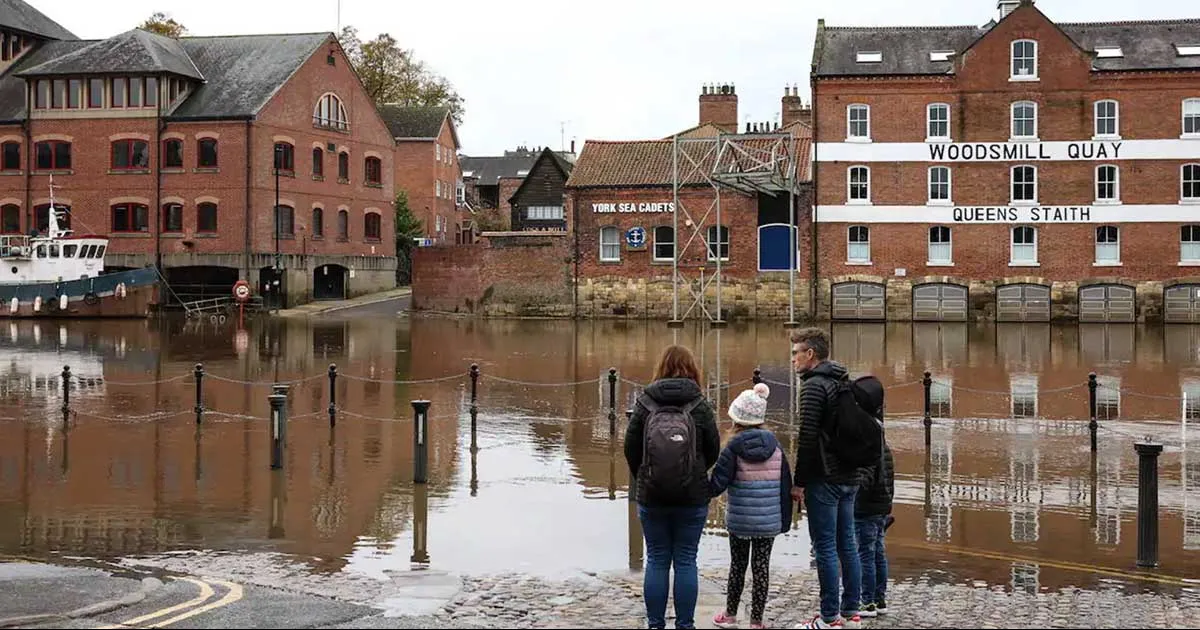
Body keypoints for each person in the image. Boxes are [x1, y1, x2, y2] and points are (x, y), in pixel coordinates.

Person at [624, 344, 720, 630]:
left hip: (652, 494)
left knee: (656, 559)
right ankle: (685, 625)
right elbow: (713, 449)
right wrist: (694, 473)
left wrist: (645, 476)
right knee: (686, 559)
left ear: (660, 368)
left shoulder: (645, 402)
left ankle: (655, 624)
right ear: (693, 369)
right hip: (692, 496)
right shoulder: (700, 404)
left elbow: (631, 449)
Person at [790, 327, 868, 630]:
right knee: (847, 543)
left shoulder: (813, 387)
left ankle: (829, 618)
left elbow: (808, 437)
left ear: (811, 354)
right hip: (851, 474)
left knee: (824, 546)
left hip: (826, 477)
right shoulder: (843, 381)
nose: (793, 359)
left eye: (796, 353)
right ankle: (852, 614)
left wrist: (799, 482)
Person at [708, 383, 793, 630]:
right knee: (761, 568)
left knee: (738, 565)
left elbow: (718, 485)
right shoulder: (776, 446)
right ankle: (757, 621)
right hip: (769, 520)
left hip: (740, 520)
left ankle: (731, 615)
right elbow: (785, 481)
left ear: (736, 419)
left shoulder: (733, 448)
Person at [852, 377, 893, 619]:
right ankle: (879, 598)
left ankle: (866, 601)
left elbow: (866, 475)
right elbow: (889, 474)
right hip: (881, 504)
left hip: (867, 507)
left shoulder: (868, 435)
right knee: (877, 552)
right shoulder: (881, 434)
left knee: (865, 553)